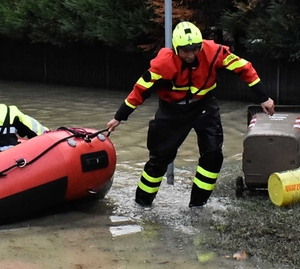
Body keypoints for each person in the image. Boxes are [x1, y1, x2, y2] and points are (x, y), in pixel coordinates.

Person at [106, 21, 275, 208]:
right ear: (176, 48)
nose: (191, 54)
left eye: (195, 49)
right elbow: (140, 90)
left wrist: (264, 98)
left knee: (213, 154)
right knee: (159, 159)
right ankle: (142, 205)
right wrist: (119, 117)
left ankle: (197, 206)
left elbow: (244, 67)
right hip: (172, 112)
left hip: (204, 106)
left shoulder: (213, 52)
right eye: (185, 50)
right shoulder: (163, 64)